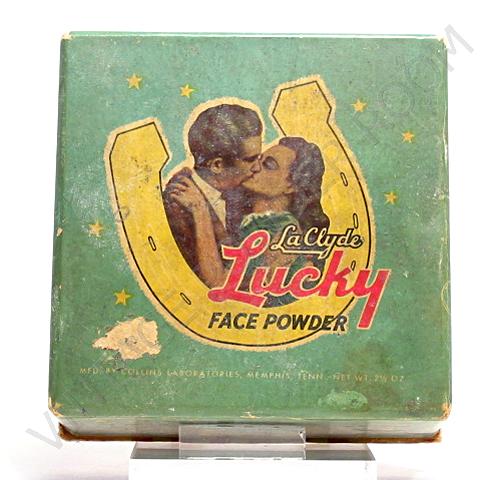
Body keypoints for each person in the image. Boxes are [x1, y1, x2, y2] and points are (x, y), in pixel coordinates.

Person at [170, 136, 330, 305]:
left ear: (291, 186)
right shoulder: (251, 220)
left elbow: (220, 283)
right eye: (257, 159)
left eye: (269, 165)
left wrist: (199, 209)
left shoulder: (282, 230)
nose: (255, 167)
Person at [163, 104, 263, 278]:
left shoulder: (240, 194)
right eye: (250, 160)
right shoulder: (175, 207)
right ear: (217, 165)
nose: (258, 167)